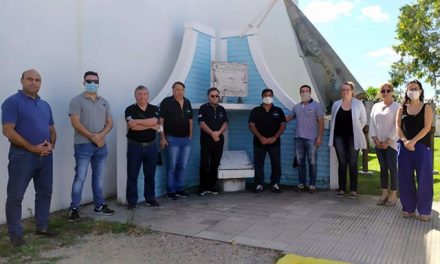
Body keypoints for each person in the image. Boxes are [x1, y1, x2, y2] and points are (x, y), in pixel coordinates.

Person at [1, 69, 57, 247]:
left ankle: (42, 226)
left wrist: (51, 145)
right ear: (22, 80)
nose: (34, 82)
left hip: (45, 157)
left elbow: (52, 129)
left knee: (45, 192)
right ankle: (16, 235)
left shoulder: (45, 105)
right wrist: (32, 148)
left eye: (37, 80)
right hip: (22, 156)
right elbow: (8, 130)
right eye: (30, 79)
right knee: (15, 196)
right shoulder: (12, 102)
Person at [68, 71, 114, 221]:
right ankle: (74, 209)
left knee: (98, 178)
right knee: (80, 177)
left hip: (101, 146)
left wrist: (101, 136)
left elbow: (110, 123)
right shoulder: (76, 101)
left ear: (99, 83)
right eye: (89, 81)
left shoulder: (104, 102)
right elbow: (75, 123)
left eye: (95, 81)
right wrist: (92, 137)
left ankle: (99, 206)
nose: (92, 84)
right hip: (83, 146)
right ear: (84, 82)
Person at [396, 80, 433, 221]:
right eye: (410, 89)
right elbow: (398, 127)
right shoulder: (401, 109)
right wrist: (405, 141)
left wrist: (413, 141)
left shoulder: (427, 108)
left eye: (415, 88)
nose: (412, 91)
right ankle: (408, 208)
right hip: (405, 148)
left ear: (421, 91)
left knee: (424, 179)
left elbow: (427, 128)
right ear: (406, 91)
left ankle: (424, 210)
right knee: (405, 178)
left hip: (422, 148)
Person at [125, 86, 161, 210]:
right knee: (132, 175)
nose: (142, 96)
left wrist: (138, 122)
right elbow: (132, 127)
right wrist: (150, 125)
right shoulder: (130, 109)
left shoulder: (154, 108)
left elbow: (156, 121)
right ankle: (132, 202)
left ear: (148, 95)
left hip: (151, 146)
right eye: (140, 94)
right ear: (135, 95)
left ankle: (150, 199)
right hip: (135, 146)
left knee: (150, 175)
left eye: (145, 94)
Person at [328, 81, 366, 199]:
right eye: (343, 90)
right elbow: (333, 119)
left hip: (353, 137)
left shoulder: (358, 104)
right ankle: (342, 188)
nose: (345, 92)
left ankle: (353, 190)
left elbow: (363, 120)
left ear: (352, 91)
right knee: (342, 162)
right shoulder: (336, 104)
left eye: (347, 90)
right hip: (338, 137)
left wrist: (357, 130)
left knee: (353, 163)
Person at [286, 84, 324, 194]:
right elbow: (289, 118)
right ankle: (301, 184)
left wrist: (320, 137)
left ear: (310, 93)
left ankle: (312, 185)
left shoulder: (317, 106)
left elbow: (321, 122)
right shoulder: (296, 107)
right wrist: (275, 115)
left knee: (312, 162)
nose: (305, 92)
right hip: (298, 139)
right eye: (303, 91)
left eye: (307, 91)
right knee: (300, 162)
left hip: (311, 139)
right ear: (300, 93)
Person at [159, 81, 193, 200]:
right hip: (171, 138)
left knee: (182, 165)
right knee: (171, 166)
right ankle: (170, 190)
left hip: (185, 140)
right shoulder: (167, 102)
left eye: (182, 89)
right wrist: (162, 137)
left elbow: (190, 120)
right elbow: (161, 120)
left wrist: (190, 136)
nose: (180, 92)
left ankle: (180, 189)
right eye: (177, 89)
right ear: (173, 90)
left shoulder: (187, 102)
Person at [249, 88, 286, 193]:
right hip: (259, 142)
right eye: (265, 95)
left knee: (276, 163)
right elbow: (251, 125)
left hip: (274, 143)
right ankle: (259, 184)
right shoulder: (256, 110)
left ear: (273, 97)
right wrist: (261, 137)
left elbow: (283, 125)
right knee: (258, 164)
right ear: (262, 97)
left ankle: (275, 184)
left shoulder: (278, 110)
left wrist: (274, 137)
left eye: (270, 95)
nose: (267, 97)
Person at [369, 83, 400, 206]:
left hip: (391, 143)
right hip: (378, 143)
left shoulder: (397, 106)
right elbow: (371, 122)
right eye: (383, 91)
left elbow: (397, 125)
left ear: (392, 92)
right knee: (383, 169)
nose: (385, 93)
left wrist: (387, 141)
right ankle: (384, 193)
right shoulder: (376, 106)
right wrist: (376, 140)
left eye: (388, 90)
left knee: (392, 168)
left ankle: (393, 194)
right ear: (380, 92)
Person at [198, 87, 228, 196]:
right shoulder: (203, 108)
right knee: (205, 163)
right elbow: (202, 123)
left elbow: (225, 123)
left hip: (219, 140)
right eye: (212, 96)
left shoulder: (222, 109)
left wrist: (218, 133)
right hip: (206, 140)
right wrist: (212, 133)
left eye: (216, 96)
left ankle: (212, 186)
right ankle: (203, 187)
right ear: (208, 97)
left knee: (215, 164)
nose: (215, 98)